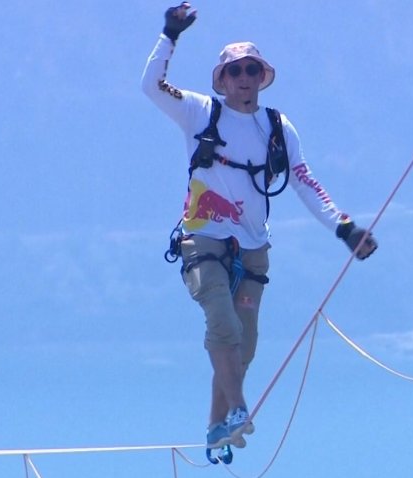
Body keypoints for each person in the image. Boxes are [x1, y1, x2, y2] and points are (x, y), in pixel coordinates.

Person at [141, 2, 377, 455]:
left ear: (261, 76)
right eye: (234, 71)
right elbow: (151, 86)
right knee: (221, 319)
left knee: (244, 345)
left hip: (253, 245)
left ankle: (216, 425)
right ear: (222, 80)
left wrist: (344, 229)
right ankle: (239, 408)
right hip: (202, 236)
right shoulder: (198, 112)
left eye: (251, 69)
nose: (243, 77)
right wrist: (169, 34)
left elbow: (305, 181)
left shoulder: (277, 127)